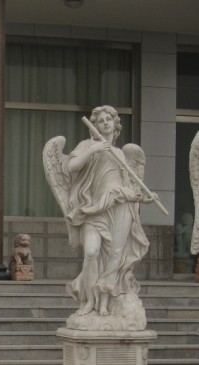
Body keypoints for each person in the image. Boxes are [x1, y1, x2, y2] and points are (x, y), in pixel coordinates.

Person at [61, 105, 150, 316]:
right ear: (95, 126)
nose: (105, 123)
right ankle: (90, 300)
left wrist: (142, 197)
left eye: (108, 119)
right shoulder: (87, 146)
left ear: (115, 124)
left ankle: (104, 303)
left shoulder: (119, 153)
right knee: (91, 252)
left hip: (119, 207)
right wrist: (94, 149)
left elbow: (127, 185)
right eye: (101, 121)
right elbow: (71, 167)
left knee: (114, 257)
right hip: (94, 210)